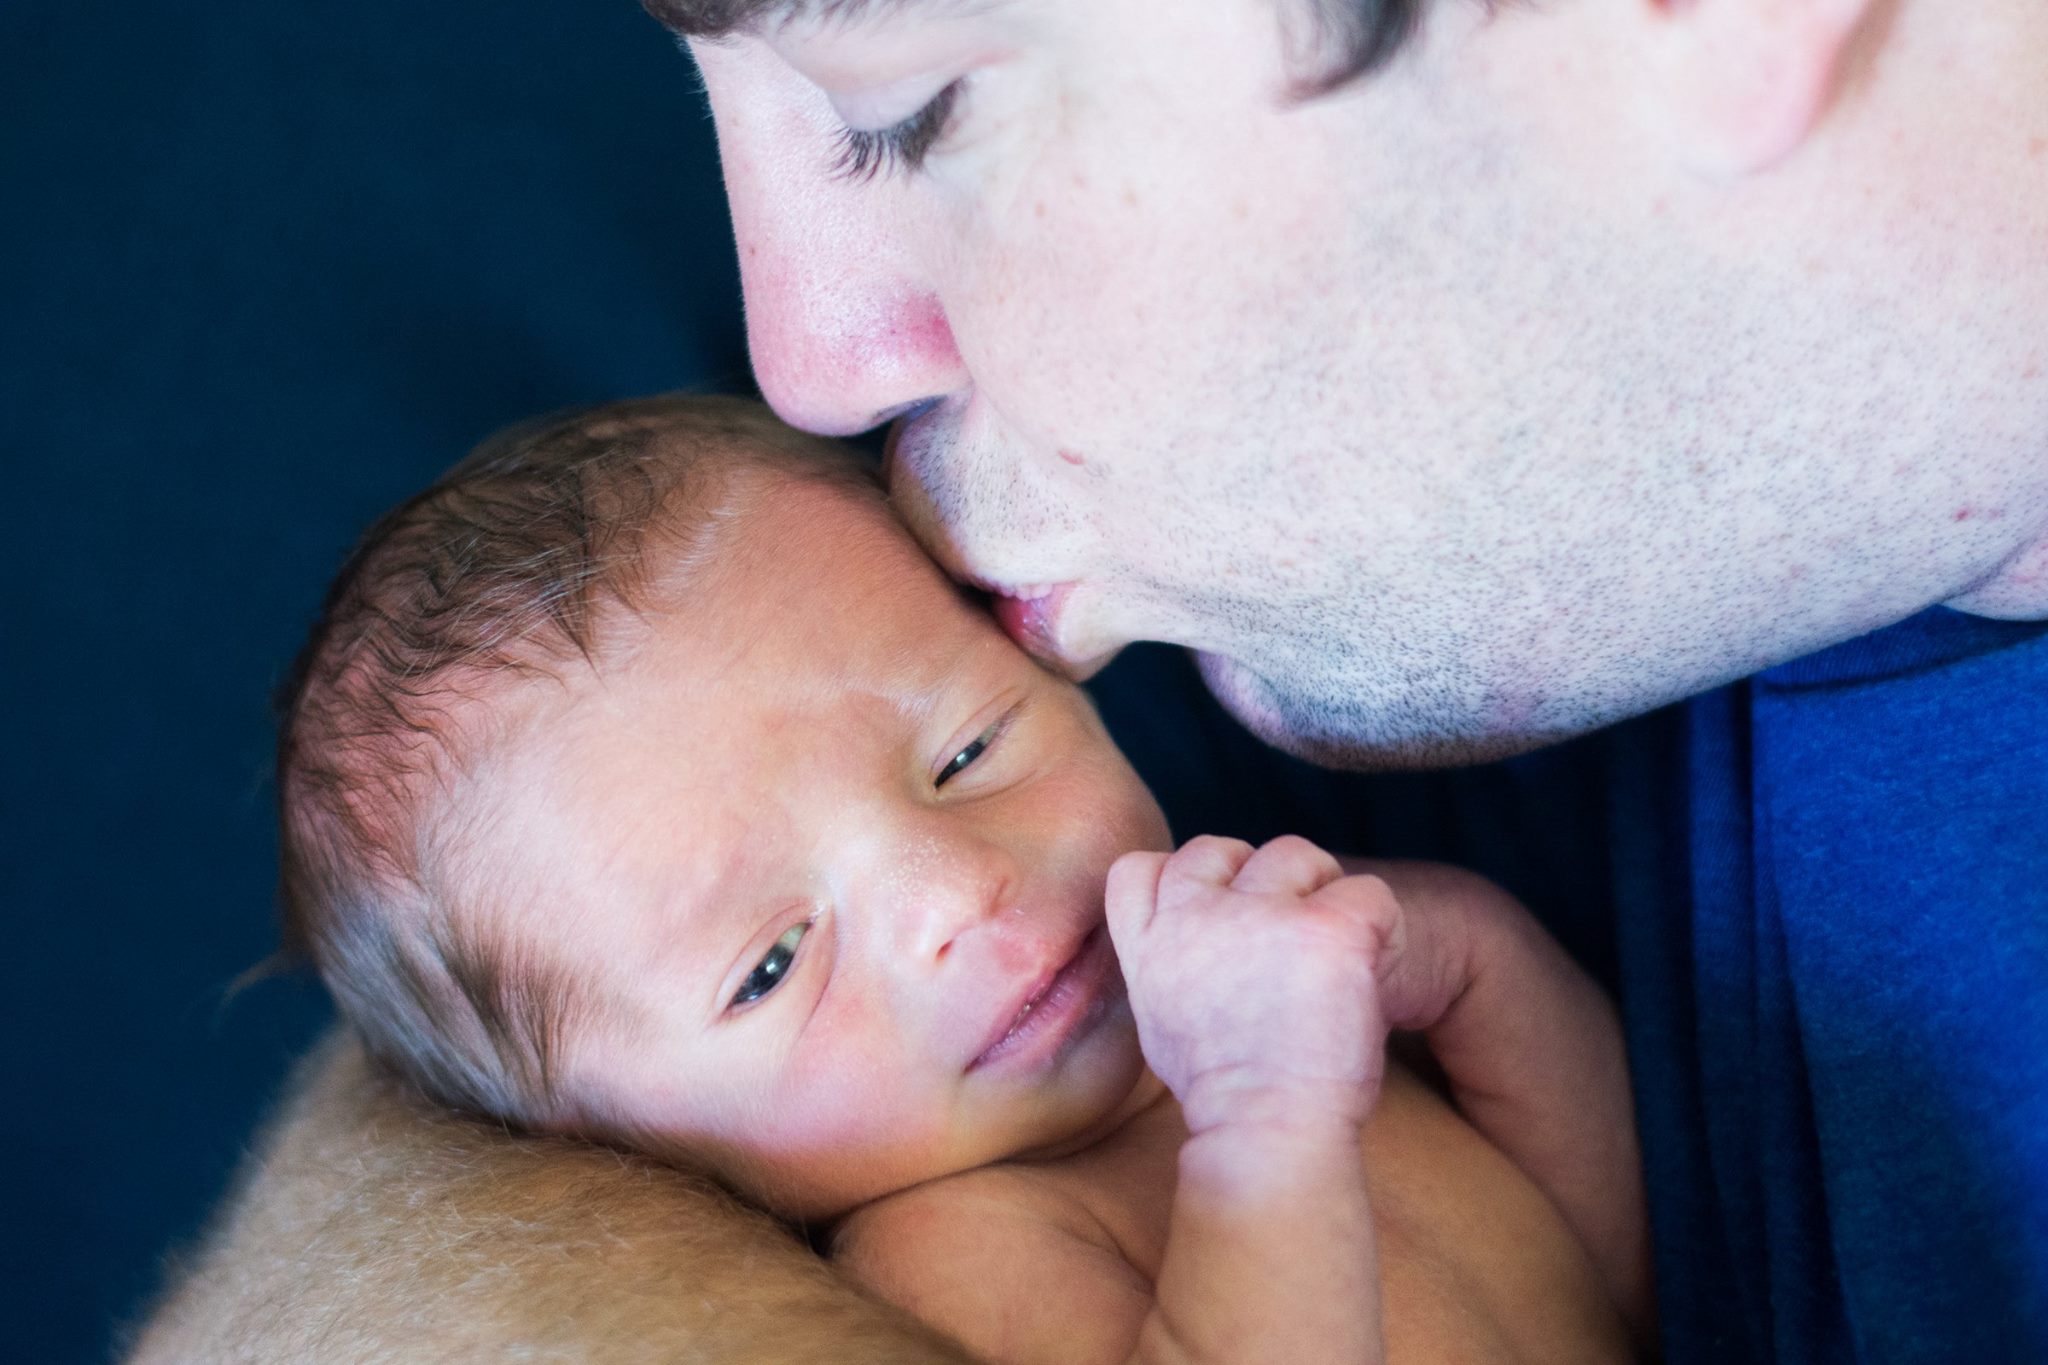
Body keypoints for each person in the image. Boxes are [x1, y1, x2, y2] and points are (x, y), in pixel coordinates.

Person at [130, 1, 2046, 1361]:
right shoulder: (993, 1184)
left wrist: (1312, 1105)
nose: (810, 366)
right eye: (776, 964)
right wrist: (1442, 987)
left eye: (910, 105)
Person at [267, 393, 1647, 1363]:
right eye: (771, 964)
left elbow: (1609, 1267)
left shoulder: (1235, 983)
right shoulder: (961, 1243)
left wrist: (1468, 955)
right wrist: (1265, 1124)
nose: (954, 893)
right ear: (628, 1157)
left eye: (969, 749)